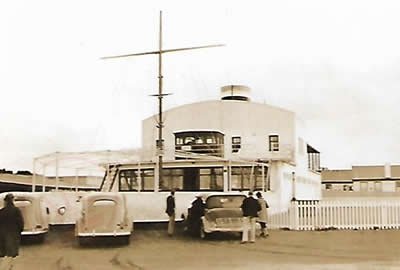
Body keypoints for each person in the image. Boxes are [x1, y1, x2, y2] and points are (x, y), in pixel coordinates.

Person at [0, 193, 24, 270]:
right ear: (12, 200)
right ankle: (11, 267)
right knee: (13, 253)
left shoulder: (2, 211)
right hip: (14, 234)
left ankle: (2, 266)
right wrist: (19, 231)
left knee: (2, 252)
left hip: (2, 234)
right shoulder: (17, 211)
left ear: (6, 201)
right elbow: (21, 222)